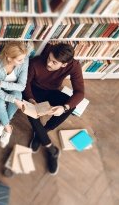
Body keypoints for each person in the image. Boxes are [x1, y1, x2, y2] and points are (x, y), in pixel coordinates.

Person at [23, 43, 85, 175]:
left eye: (54, 62)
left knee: (70, 106)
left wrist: (64, 107)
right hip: (33, 92)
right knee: (31, 112)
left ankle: (41, 133)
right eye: (49, 59)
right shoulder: (36, 62)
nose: (49, 63)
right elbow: (25, 83)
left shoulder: (74, 65)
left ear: (64, 65)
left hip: (52, 91)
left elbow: (80, 93)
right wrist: (30, 99)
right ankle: (51, 150)